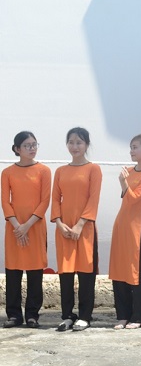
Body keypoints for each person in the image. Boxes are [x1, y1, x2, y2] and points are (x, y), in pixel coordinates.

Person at [51, 127, 102, 332]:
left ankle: (85, 316)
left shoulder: (93, 169)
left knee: (85, 272)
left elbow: (94, 198)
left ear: (87, 145)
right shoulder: (60, 171)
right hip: (64, 229)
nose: (75, 146)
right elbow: (55, 199)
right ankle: (67, 315)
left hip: (85, 229)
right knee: (65, 273)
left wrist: (80, 224)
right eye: (71, 142)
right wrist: (59, 223)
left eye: (79, 142)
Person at [109, 133, 141, 330]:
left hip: (137, 228)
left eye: (135, 147)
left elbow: (136, 199)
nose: (131, 151)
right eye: (131, 147)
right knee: (119, 269)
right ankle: (122, 315)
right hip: (122, 225)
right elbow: (128, 202)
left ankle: (138, 316)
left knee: (137, 271)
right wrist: (124, 183)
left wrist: (123, 183)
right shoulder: (129, 171)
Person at [1, 132, 51, 329]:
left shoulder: (44, 171)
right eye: (27, 145)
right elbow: (5, 201)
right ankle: (14, 315)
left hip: (35, 227)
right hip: (13, 229)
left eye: (34, 144)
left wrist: (27, 226)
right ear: (17, 149)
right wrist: (17, 227)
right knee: (13, 272)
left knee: (35, 271)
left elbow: (44, 201)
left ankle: (32, 315)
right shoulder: (7, 173)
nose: (32, 148)